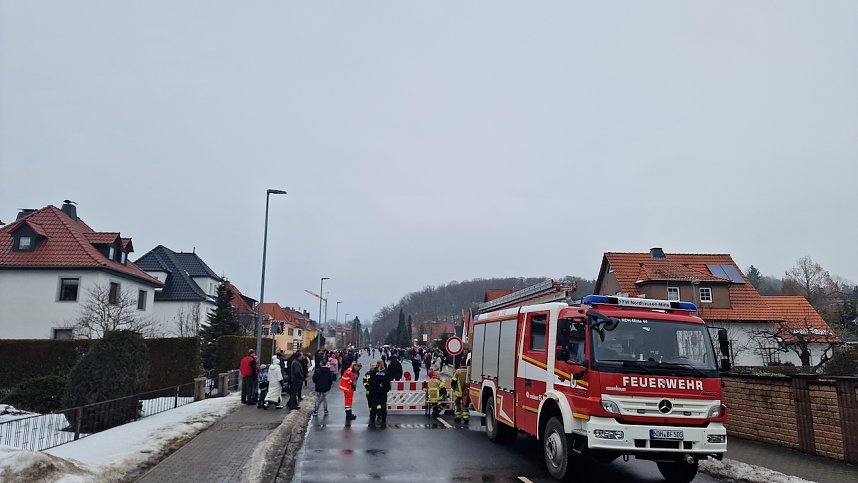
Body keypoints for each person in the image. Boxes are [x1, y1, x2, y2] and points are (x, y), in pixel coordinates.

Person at [367, 360, 391, 425]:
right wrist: (382, 384)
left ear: (377, 365)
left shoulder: (374, 372)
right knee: (383, 405)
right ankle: (383, 418)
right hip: (383, 391)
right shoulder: (386, 372)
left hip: (375, 390)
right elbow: (388, 380)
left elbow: (371, 381)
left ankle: (372, 418)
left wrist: (377, 384)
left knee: (374, 405)